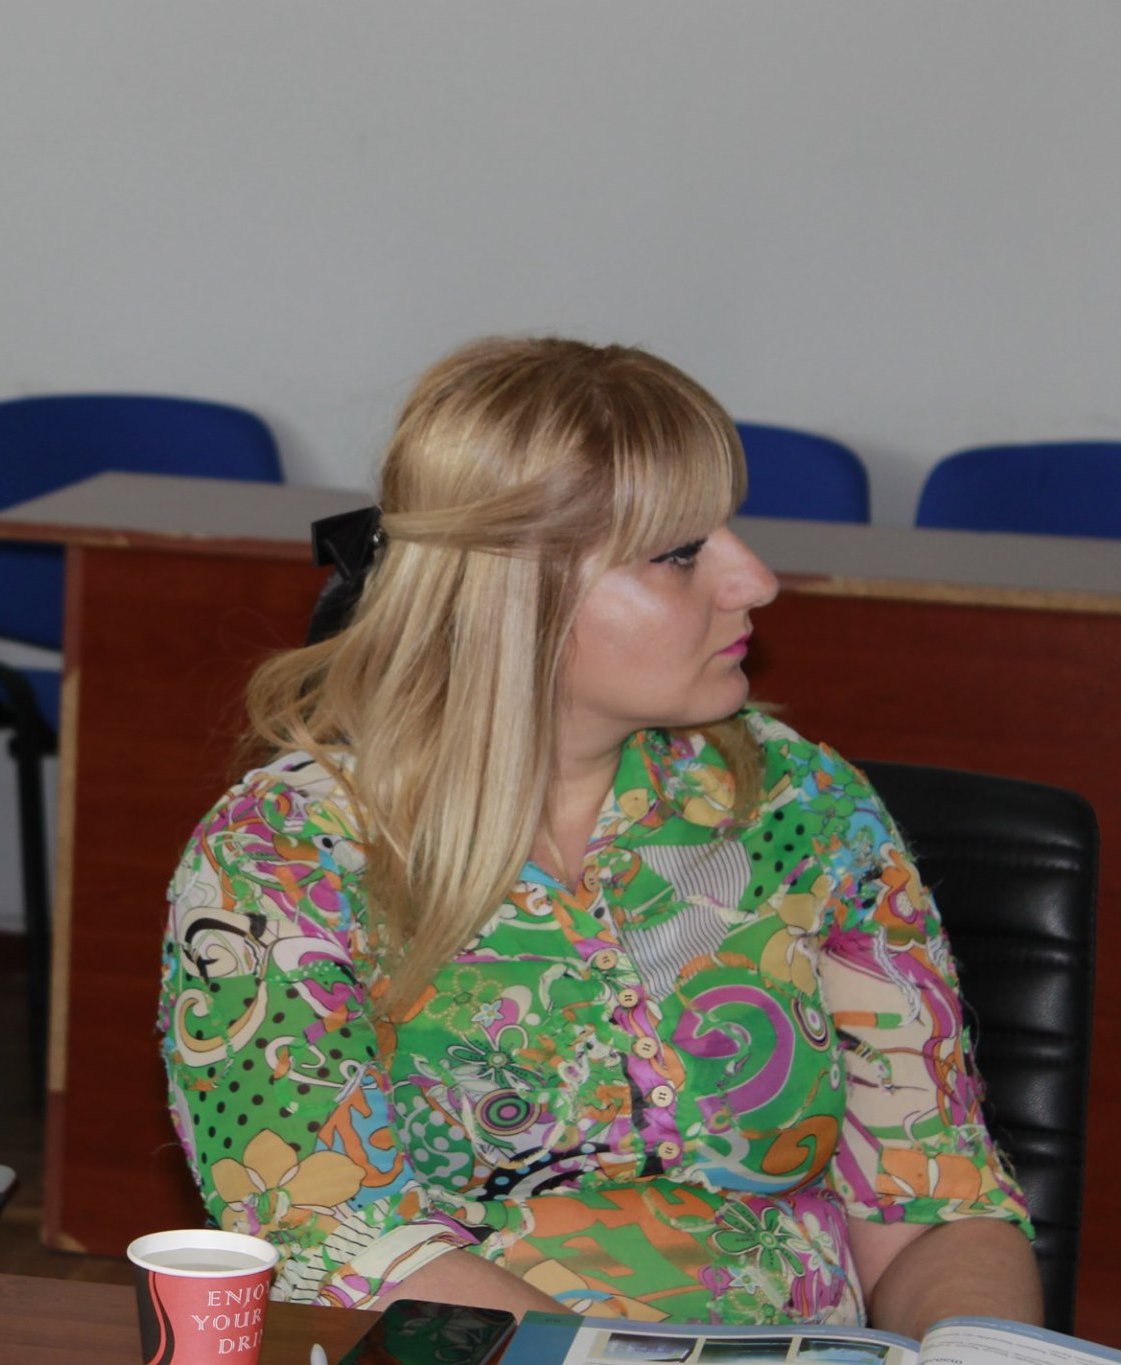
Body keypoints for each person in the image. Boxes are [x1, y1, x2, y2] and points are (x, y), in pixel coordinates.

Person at [160, 338, 1041, 1332]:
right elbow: (334, 1242)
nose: (754, 580)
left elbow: (931, 1202)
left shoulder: (803, 807)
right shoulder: (283, 856)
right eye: (680, 552)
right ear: (513, 589)